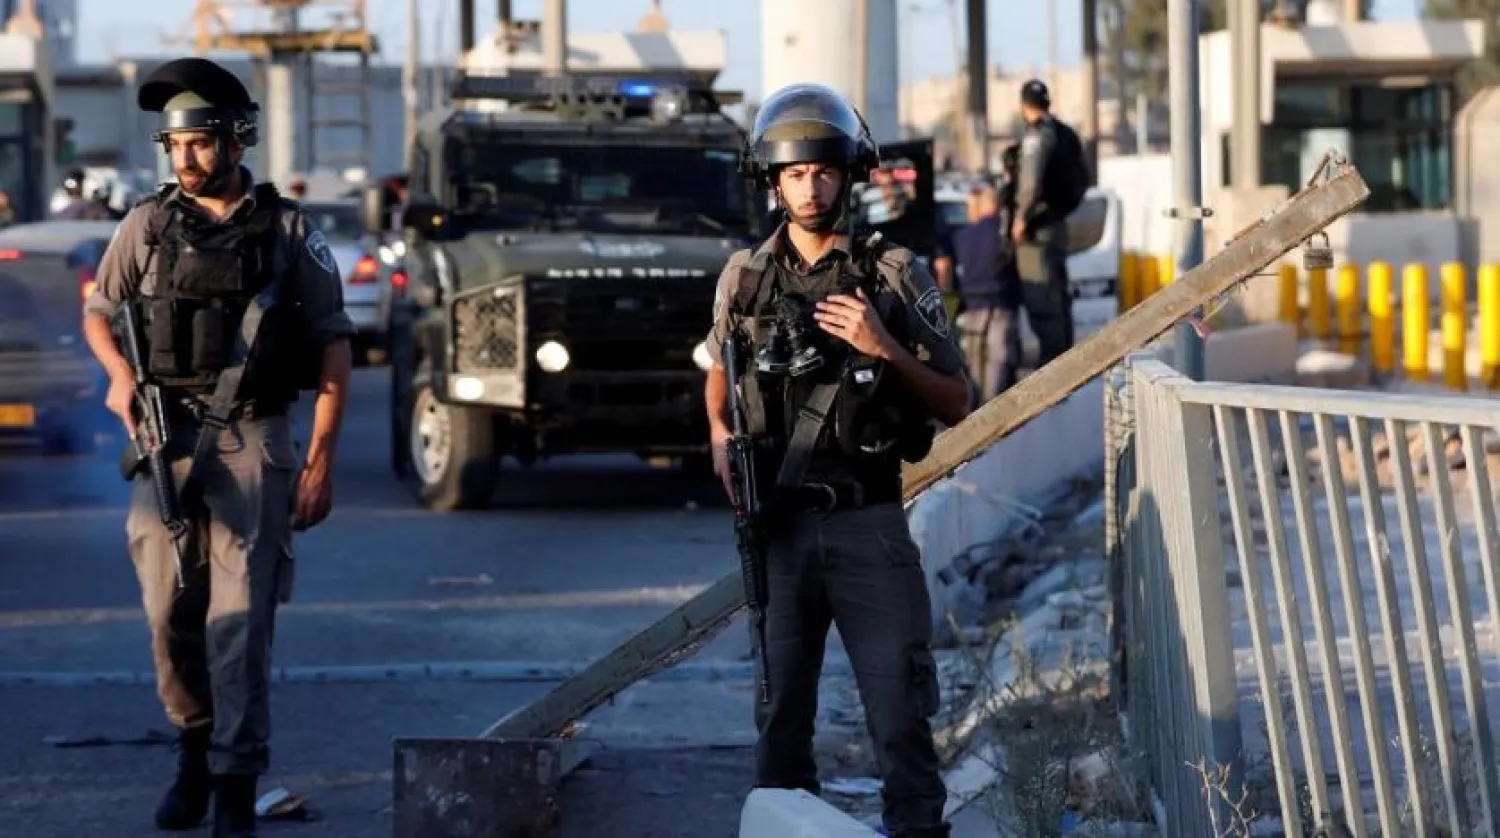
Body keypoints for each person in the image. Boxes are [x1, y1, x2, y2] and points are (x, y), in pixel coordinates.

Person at [78, 56, 355, 838]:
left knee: (239, 621)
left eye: (198, 143)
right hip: (163, 435)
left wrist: (320, 460)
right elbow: (102, 310)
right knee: (169, 614)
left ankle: (236, 783)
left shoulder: (291, 230)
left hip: (253, 438)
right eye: (174, 145)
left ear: (237, 142)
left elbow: (334, 347)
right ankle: (194, 747)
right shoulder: (146, 224)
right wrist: (117, 377)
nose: (184, 159)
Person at [703, 82, 972, 838]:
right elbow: (717, 372)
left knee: (900, 720)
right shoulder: (744, 278)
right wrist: (720, 437)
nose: (811, 186)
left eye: (824, 171)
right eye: (794, 173)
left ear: (849, 175)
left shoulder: (893, 273)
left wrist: (880, 346)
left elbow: (956, 398)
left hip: (868, 526)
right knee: (781, 725)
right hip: (779, 534)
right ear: (773, 180)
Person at [1011, 79, 1087, 368]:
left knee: (1042, 296)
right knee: (1058, 293)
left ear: (1023, 106)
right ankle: (1064, 359)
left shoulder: (1036, 136)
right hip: (1057, 225)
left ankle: (1053, 365)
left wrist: (1020, 219)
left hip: (1037, 230)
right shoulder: (1066, 133)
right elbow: (1082, 179)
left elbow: (1029, 182)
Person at [951, 179, 1021, 400]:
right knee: (998, 370)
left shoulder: (961, 237)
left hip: (971, 310)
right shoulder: (1006, 234)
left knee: (973, 370)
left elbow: (948, 272)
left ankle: (973, 420)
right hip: (1001, 308)